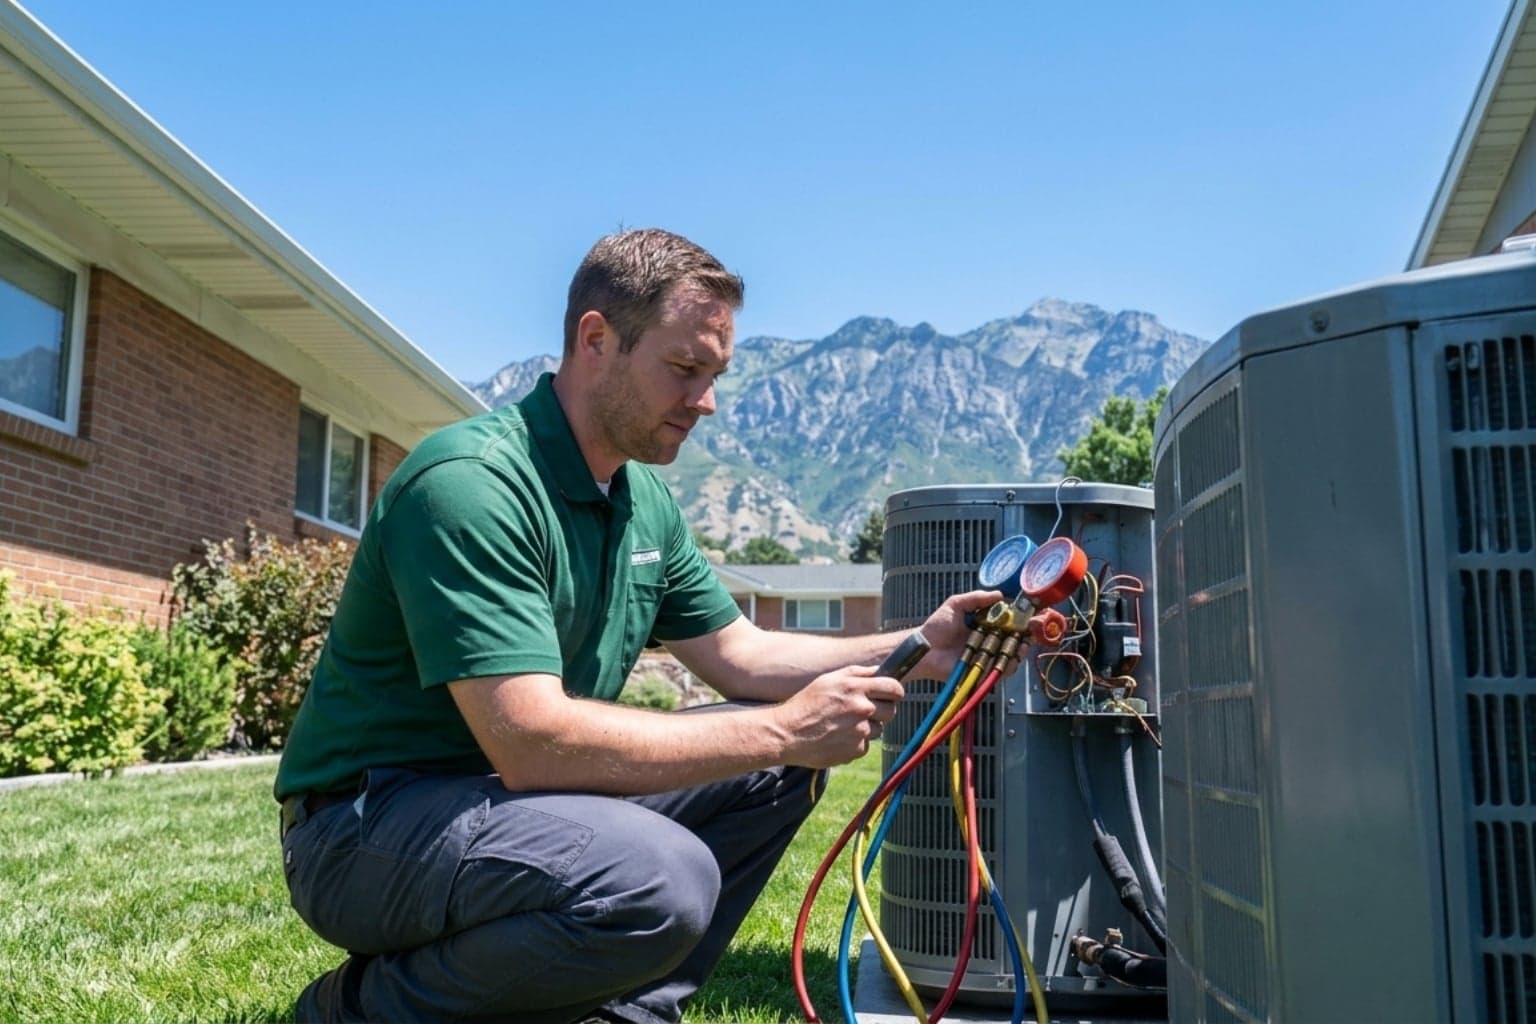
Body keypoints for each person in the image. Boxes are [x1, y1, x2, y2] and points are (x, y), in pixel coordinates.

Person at [275, 228, 997, 1024]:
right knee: (662, 875)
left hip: (496, 803)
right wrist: (787, 730)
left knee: (769, 768)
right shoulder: (471, 485)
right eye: (684, 369)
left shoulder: (637, 498)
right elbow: (530, 742)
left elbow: (741, 655)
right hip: (361, 830)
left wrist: (921, 647)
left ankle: (624, 1012)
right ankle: (361, 1010)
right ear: (596, 339)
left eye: (715, 375)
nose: (706, 401)